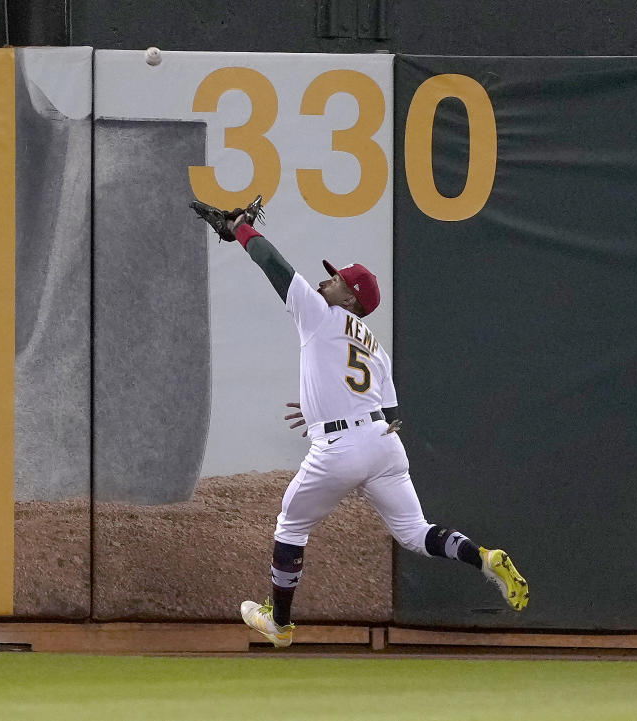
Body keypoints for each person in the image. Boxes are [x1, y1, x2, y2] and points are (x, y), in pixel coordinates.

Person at [190, 196, 529, 648]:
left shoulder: (320, 314)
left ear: (350, 297)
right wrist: (322, 410)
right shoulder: (373, 344)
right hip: (384, 445)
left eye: (337, 279)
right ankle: (483, 558)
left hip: (341, 448)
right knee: (415, 532)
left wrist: (242, 232)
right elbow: (389, 414)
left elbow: (275, 266)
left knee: (291, 527)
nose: (327, 281)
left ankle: (281, 623)